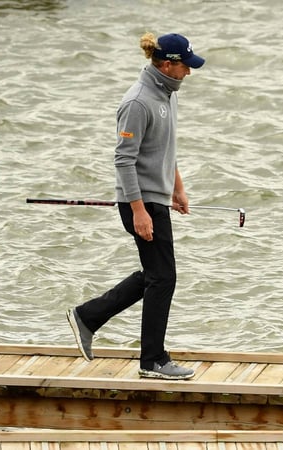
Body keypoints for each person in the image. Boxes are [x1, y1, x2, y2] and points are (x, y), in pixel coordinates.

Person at [66, 32, 205, 380]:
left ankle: (87, 316)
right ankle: (153, 361)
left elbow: (164, 149)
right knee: (164, 278)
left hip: (157, 199)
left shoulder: (168, 94)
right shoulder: (138, 102)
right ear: (167, 64)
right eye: (185, 65)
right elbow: (124, 161)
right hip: (140, 203)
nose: (189, 72)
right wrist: (140, 211)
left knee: (156, 276)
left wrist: (178, 189)